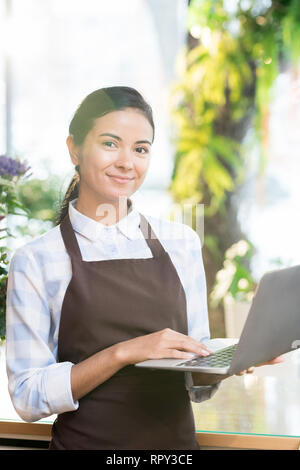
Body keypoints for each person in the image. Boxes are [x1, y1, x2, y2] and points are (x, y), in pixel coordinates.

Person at [5, 86, 283, 450]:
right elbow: (27, 397)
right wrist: (123, 352)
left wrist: (226, 361)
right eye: (110, 143)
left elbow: (194, 369)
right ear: (74, 147)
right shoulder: (37, 260)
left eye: (140, 149)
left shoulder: (181, 242)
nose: (127, 162)